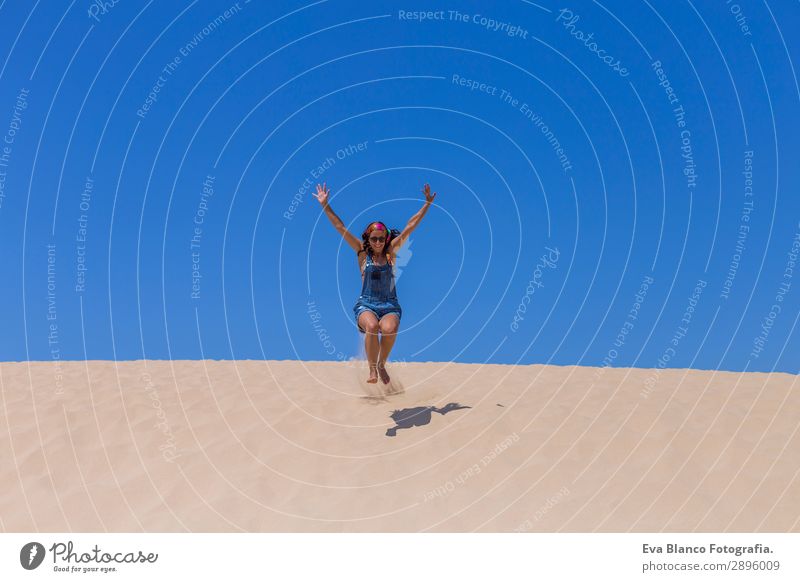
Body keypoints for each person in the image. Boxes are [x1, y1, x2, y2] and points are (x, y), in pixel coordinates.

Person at [314, 182, 436, 384]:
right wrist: (325, 204)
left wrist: (427, 204)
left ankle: (381, 365)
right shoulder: (362, 254)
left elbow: (410, 227)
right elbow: (340, 227)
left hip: (389, 304)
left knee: (389, 329)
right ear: (368, 239)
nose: (378, 242)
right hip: (367, 304)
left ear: (386, 239)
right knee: (371, 326)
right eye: (374, 239)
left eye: (381, 238)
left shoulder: (391, 254)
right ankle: (372, 369)